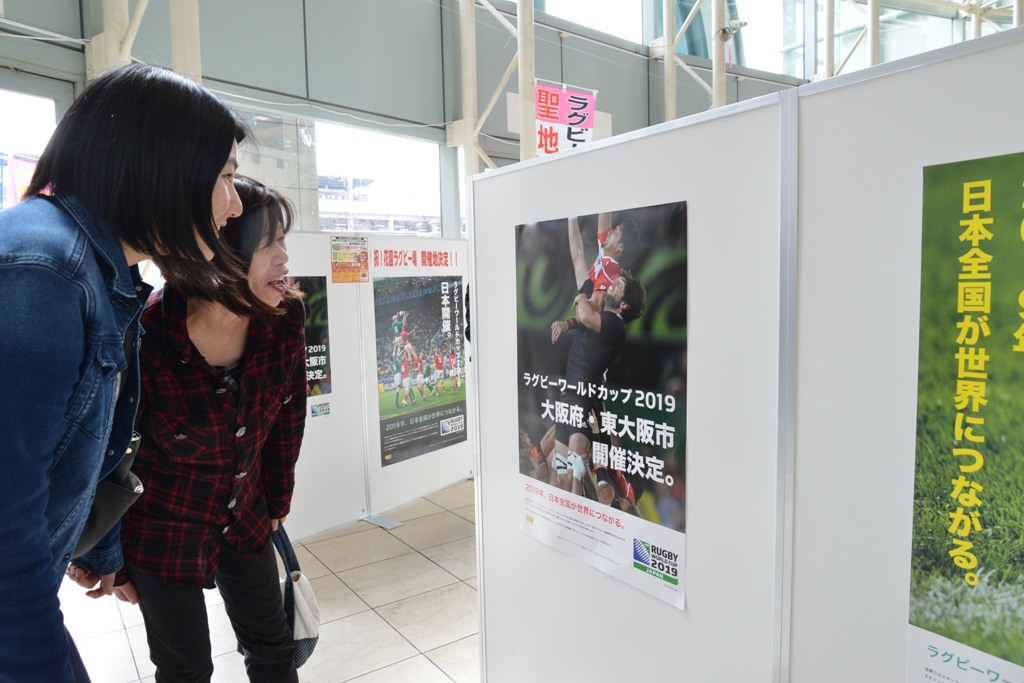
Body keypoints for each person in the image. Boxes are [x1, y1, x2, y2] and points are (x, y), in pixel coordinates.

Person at [0, 62, 252, 683]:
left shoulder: (96, 271)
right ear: (161, 168)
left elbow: (86, 442)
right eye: (224, 177)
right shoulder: (45, 273)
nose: (234, 204)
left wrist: (105, 548)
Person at [105, 177, 308, 682]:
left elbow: (288, 420)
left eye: (283, 241)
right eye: (268, 244)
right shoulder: (146, 334)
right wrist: (113, 558)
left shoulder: (285, 318)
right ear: (218, 254)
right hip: (161, 527)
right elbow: (109, 453)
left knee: (274, 648)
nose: (284, 258)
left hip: (246, 516)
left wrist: (277, 505)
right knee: (184, 667)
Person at [549, 217, 646, 498]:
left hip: (584, 398)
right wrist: (571, 215)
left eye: (618, 285)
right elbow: (577, 254)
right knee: (560, 477)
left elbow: (585, 312)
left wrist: (582, 295)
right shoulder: (602, 279)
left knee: (574, 477)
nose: (615, 283)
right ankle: (602, 480)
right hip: (570, 394)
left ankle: (605, 485)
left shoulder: (614, 321)